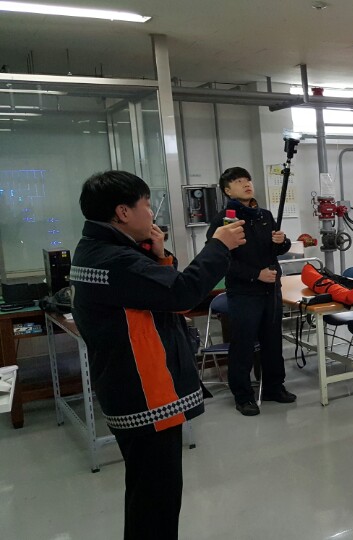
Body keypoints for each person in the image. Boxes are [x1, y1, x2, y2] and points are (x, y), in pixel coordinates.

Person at [71, 171, 246, 540]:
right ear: (122, 212)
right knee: (156, 501)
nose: (151, 213)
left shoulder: (99, 250)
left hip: (132, 387)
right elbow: (182, 294)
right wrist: (218, 246)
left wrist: (159, 255)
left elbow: (160, 296)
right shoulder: (114, 259)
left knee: (149, 496)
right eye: (146, 205)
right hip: (145, 391)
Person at [207, 166, 294, 417]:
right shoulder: (225, 220)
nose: (246, 184)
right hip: (244, 292)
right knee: (243, 344)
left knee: (272, 341)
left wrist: (282, 242)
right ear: (227, 190)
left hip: (271, 290)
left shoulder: (264, 215)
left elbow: (277, 249)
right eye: (238, 181)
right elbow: (221, 259)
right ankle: (243, 396)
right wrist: (256, 274)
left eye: (248, 179)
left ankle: (274, 387)